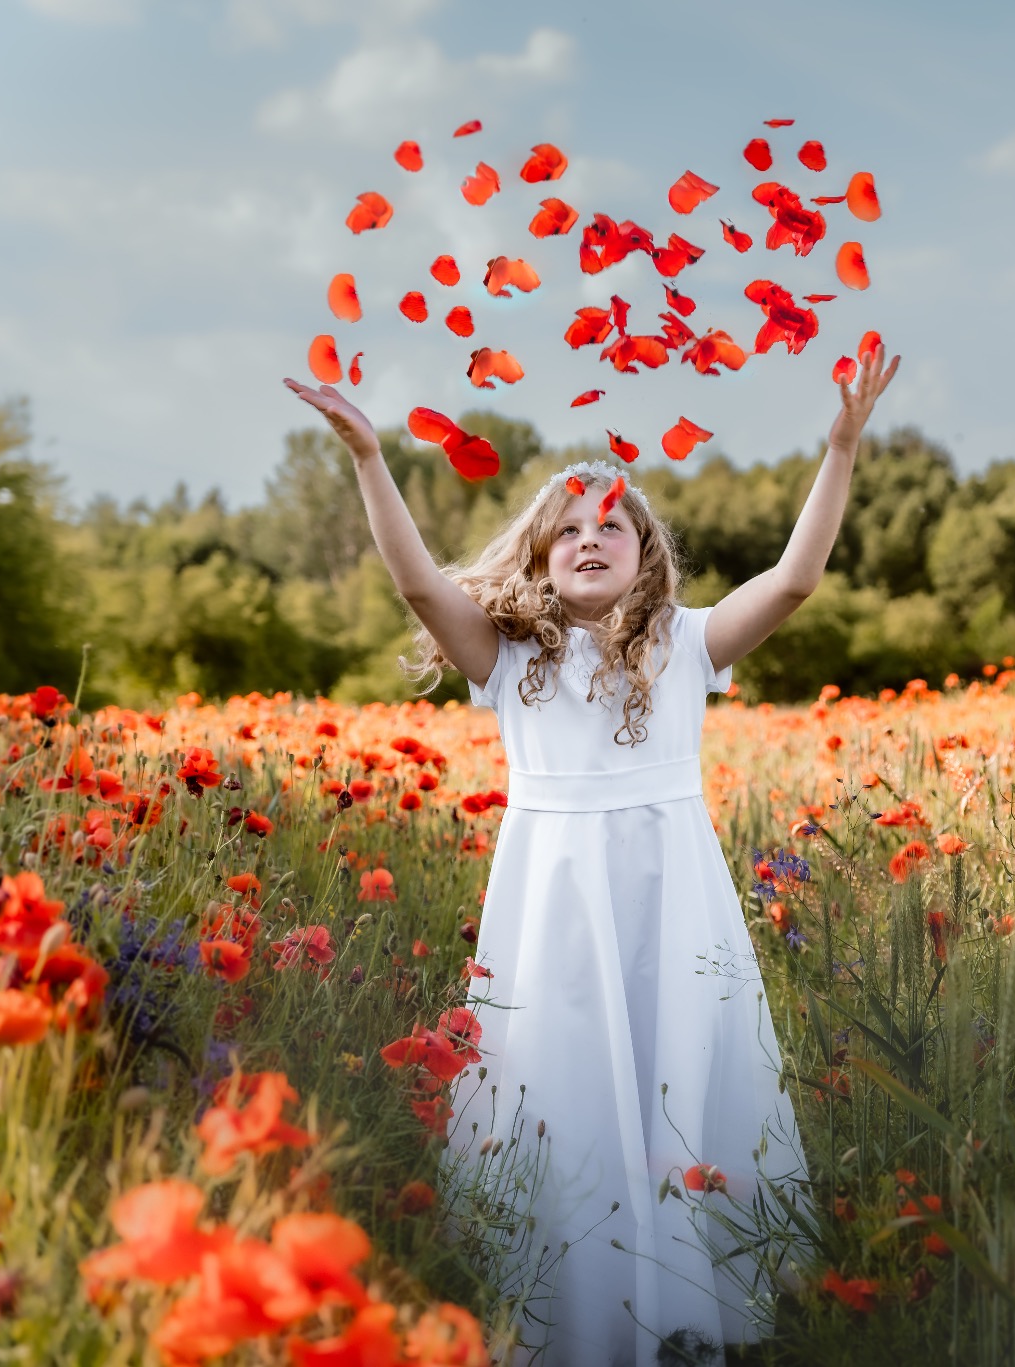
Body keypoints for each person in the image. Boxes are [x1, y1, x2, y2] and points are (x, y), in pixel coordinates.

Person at [281, 347, 900, 1366]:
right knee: (559, 1085)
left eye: (611, 524)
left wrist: (840, 445)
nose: (588, 538)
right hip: (554, 909)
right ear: (539, 558)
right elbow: (416, 581)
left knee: (676, 1079)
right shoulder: (508, 655)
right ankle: (571, 1316)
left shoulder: (687, 643)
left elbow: (795, 579)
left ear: (646, 555)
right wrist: (367, 457)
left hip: (672, 902)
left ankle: (687, 1314)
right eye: (566, 529)